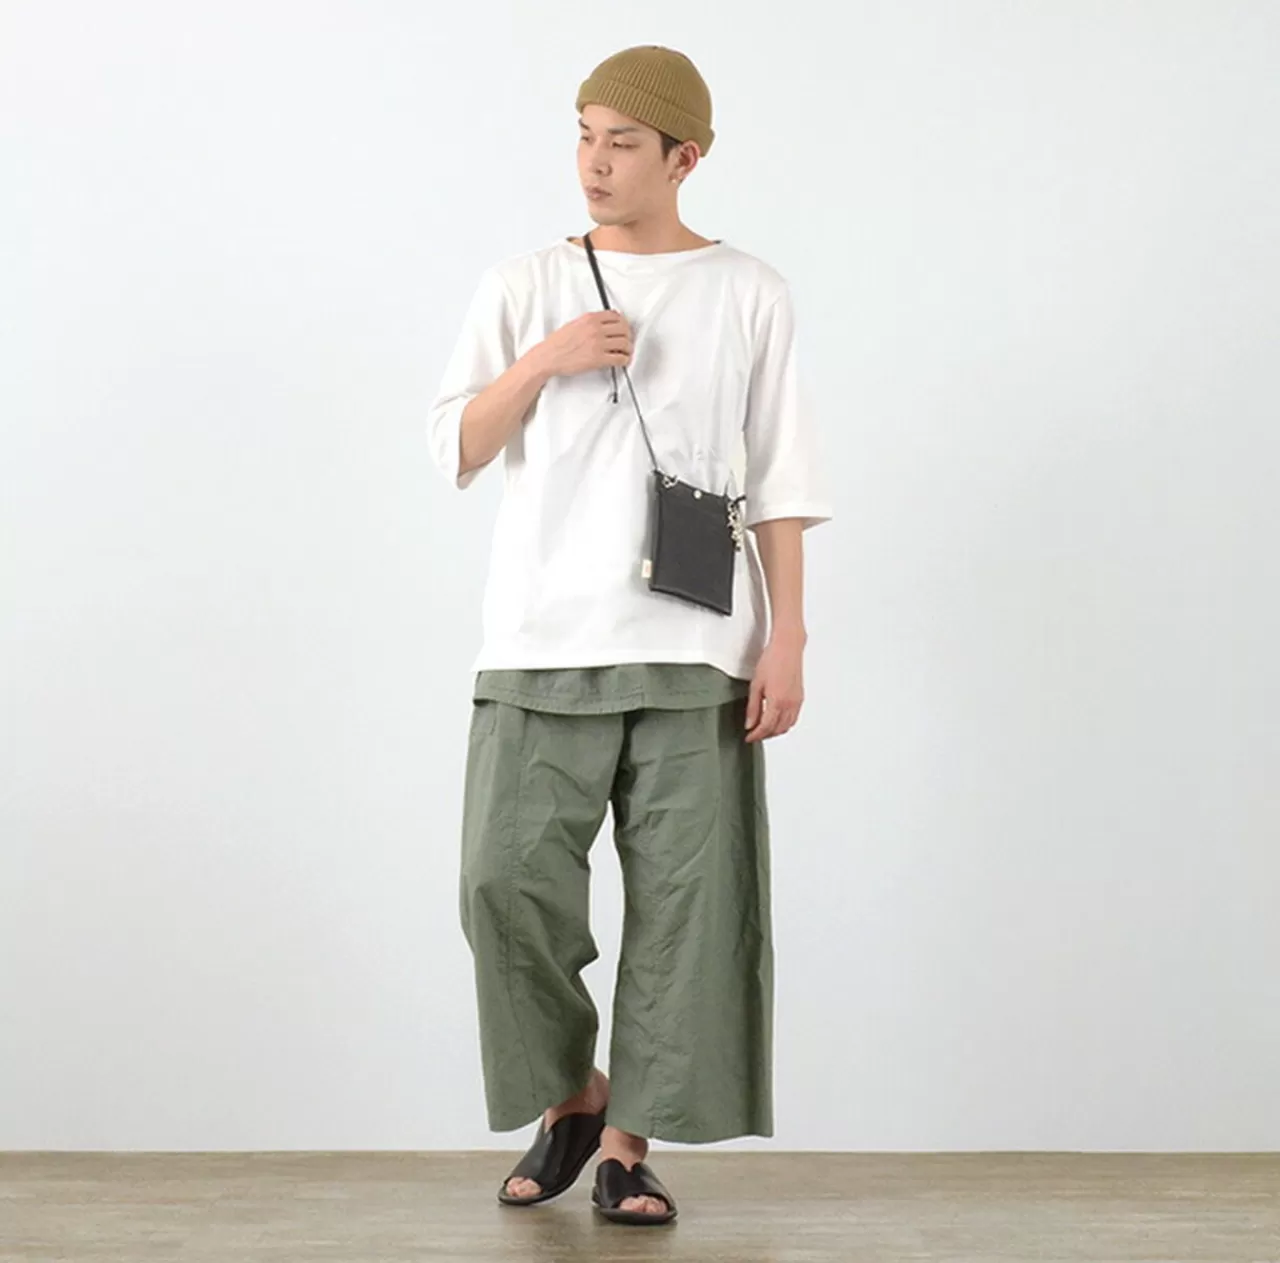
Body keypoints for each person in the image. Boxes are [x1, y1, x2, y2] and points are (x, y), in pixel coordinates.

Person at [425, 44, 834, 1226]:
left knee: (687, 909)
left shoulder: (748, 291)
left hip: (696, 649)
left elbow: (779, 478)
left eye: (621, 142)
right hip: (538, 641)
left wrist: (788, 637)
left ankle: (625, 1147)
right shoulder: (523, 283)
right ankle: (573, 1095)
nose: (594, 163)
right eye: (583, 135)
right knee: (499, 881)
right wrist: (546, 359)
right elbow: (454, 447)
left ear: (683, 158)